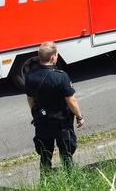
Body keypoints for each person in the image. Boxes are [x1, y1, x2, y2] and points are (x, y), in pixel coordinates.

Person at [25, 41, 85, 175]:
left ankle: (46, 181)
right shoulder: (60, 76)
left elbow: (30, 99)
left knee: (45, 155)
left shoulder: (30, 76)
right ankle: (71, 178)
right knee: (66, 154)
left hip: (42, 122)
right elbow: (71, 100)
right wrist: (79, 117)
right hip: (61, 122)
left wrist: (35, 114)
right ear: (53, 57)